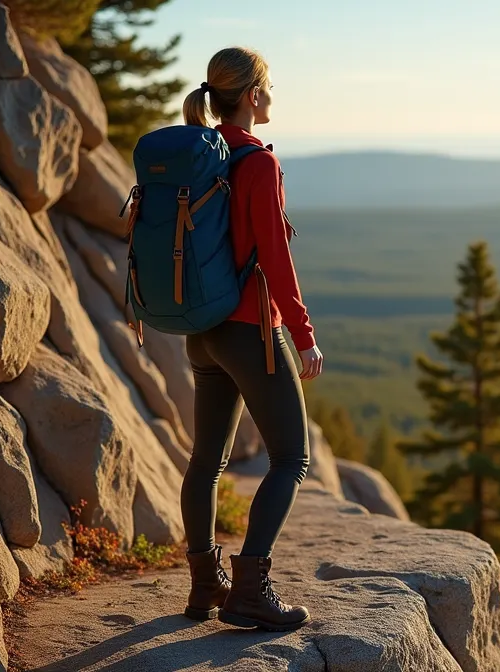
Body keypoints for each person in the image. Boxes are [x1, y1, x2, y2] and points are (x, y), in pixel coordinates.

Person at [177, 46, 322, 631]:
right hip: (249, 332)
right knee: (290, 457)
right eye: (270, 87)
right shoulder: (257, 163)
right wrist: (304, 335)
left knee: (206, 461)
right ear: (255, 95)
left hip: (201, 331)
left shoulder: (202, 152)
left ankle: (204, 584)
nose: (272, 96)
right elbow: (276, 258)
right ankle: (250, 589)